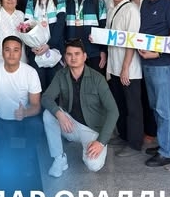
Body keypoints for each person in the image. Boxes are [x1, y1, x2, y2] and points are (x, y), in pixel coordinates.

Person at [42, 39, 118, 177]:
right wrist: (59, 114)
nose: (73, 57)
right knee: (48, 114)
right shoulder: (61, 75)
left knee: (93, 165)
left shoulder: (97, 78)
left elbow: (113, 111)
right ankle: (59, 158)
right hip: (70, 125)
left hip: (92, 129)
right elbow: (46, 98)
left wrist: (101, 142)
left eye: (77, 54)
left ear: (84, 56)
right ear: (65, 57)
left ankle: (95, 147)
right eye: (69, 54)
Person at [139, 0, 170, 167]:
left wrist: (156, 54)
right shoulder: (144, 5)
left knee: (164, 109)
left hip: (161, 64)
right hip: (146, 63)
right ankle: (169, 144)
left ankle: (166, 153)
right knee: (155, 107)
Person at [0, 36, 42, 145]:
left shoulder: (31, 73)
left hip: (23, 119)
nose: (11, 54)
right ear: (2, 52)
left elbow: (36, 106)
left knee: (35, 127)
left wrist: (25, 113)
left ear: (21, 53)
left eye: (16, 50)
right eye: (7, 50)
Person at [106, 0, 143, 157]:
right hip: (114, 66)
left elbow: (132, 41)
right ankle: (123, 136)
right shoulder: (112, 9)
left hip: (128, 69)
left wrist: (125, 68)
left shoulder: (131, 10)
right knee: (119, 104)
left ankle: (134, 144)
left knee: (133, 108)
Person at [24, 0, 66, 91]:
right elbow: (27, 25)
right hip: (36, 49)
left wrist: (49, 44)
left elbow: (60, 23)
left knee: (54, 84)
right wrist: (32, 46)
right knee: (38, 85)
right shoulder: (32, 0)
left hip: (54, 47)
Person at [129, 0, 156, 144]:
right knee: (136, 93)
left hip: (149, 52)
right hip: (131, 51)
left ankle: (151, 130)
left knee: (148, 93)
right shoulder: (128, 2)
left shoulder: (151, 2)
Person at [66, 0, 107, 75]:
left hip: (94, 52)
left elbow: (104, 26)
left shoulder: (97, 0)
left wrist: (103, 51)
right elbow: (63, 29)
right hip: (73, 54)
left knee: (95, 82)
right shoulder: (67, 1)